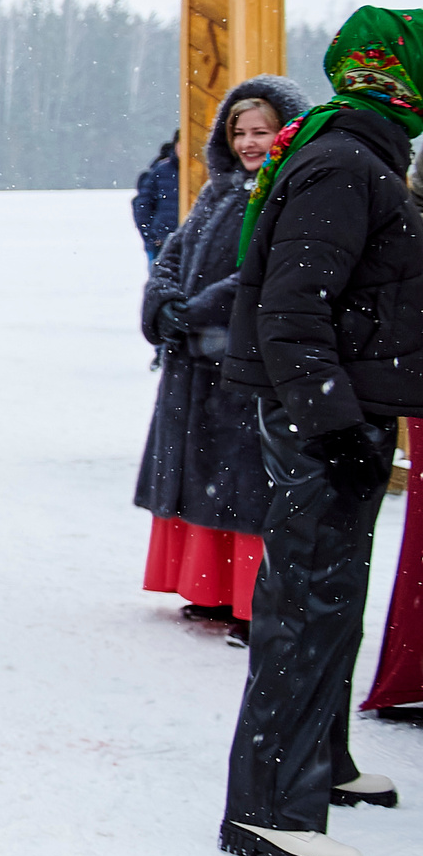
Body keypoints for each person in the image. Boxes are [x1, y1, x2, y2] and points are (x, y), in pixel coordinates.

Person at [216, 6, 423, 856]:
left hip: (348, 411)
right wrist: (331, 422)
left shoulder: (359, 153)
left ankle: (321, 759)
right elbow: (292, 309)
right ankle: (269, 807)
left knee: (333, 596)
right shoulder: (344, 161)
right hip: (324, 420)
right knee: (303, 600)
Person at [137, 75, 306, 646]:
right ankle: (209, 589)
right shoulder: (219, 190)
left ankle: (249, 600)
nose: (251, 143)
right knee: (203, 476)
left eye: (263, 131)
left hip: (245, 362)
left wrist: (203, 309)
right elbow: (173, 252)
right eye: (240, 132)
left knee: (245, 486)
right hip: (195, 360)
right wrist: (161, 303)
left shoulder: (288, 192)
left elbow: (262, 273)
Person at [133, 136, 179, 262]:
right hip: (162, 241)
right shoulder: (161, 171)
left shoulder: (199, 171)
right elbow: (142, 206)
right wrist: (151, 238)